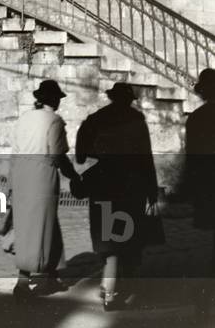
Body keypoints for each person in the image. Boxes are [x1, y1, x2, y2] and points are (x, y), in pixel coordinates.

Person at [75, 82, 158, 312]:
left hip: (103, 182)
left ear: (112, 98)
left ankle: (109, 285)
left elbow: (80, 156)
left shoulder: (95, 119)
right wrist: (152, 190)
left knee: (107, 237)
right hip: (132, 185)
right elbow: (146, 157)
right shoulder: (136, 120)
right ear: (129, 100)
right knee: (128, 237)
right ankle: (117, 286)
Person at [11, 79, 80, 299]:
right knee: (41, 225)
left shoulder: (23, 119)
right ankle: (23, 282)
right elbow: (57, 155)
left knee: (30, 224)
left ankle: (50, 275)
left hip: (21, 173)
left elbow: (15, 150)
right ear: (54, 100)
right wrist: (73, 176)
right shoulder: (55, 121)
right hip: (42, 175)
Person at [184, 68, 215, 313]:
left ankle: (205, 297)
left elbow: (192, 159)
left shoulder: (195, 118)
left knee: (208, 241)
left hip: (206, 186)